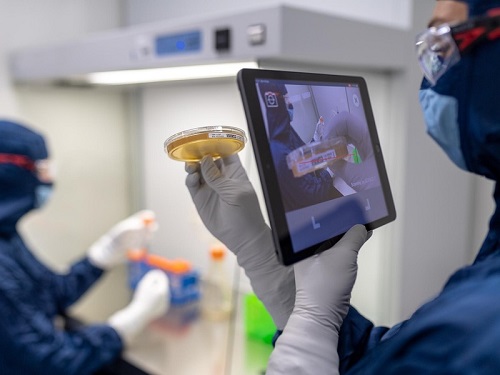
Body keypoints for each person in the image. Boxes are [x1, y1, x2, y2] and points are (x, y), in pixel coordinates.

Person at [185, 0, 500, 373]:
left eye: (444, 40)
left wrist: (312, 322)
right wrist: (265, 262)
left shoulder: (477, 333)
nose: (433, 70)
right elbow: (384, 359)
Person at [0, 120, 169, 375]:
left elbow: (47, 293)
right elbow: (51, 362)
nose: (47, 180)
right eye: (41, 169)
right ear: (11, 172)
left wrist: (103, 254)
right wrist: (128, 323)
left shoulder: (6, 234)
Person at [258, 81, 343, 211]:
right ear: (275, 103)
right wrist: (329, 173)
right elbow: (313, 194)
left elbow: (303, 157)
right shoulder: (279, 154)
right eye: (286, 98)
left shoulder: (285, 131)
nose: (290, 102)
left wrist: (316, 138)